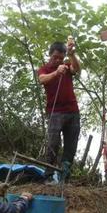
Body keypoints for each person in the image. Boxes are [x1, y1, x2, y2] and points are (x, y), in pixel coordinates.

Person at [38, 38, 81, 181]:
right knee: (53, 143)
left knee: (71, 146)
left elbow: (77, 69)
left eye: (60, 58)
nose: (57, 60)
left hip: (72, 111)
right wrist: (56, 73)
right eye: (55, 57)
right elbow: (42, 79)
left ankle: (64, 177)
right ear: (50, 55)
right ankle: (48, 175)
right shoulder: (44, 68)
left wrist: (72, 55)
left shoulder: (66, 65)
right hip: (55, 112)